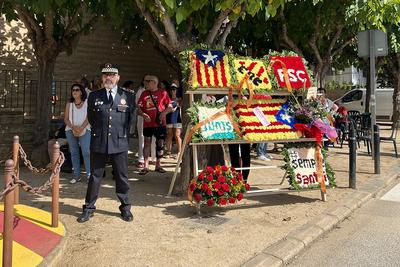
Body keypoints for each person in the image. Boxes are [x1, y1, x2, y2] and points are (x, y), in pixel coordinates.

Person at [77, 63, 135, 223]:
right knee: (95, 177)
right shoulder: (95, 96)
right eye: (105, 75)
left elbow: (131, 120)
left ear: (118, 77)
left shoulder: (128, 96)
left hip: (119, 142)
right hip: (99, 141)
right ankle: (88, 208)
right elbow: (92, 118)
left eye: (112, 74)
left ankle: (125, 208)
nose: (108, 77)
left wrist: (123, 137)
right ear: (102, 78)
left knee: (122, 177)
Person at [137, 75, 173, 174]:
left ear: (154, 82)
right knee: (147, 142)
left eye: (147, 82)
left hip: (160, 123)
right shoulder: (144, 93)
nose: (145, 83)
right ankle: (146, 166)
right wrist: (143, 114)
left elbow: (170, 106)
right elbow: (138, 108)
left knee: (160, 143)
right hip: (148, 124)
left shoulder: (163, 93)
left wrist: (164, 113)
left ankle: (158, 165)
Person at [63, 83, 91, 184]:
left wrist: (81, 127)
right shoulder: (69, 103)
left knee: (86, 152)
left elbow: (89, 117)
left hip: (85, 128)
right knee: (74, 153)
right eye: (73, 90)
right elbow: (66, 119)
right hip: (71, 129)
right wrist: (73, 127)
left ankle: (89, 175)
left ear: (81, 91)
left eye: (77, 90)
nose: (74, 91)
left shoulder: (87, 102)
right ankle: (76, 175)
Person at [135, 77, 156, 168]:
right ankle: (141, 159)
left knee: (154, 137)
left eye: (150, 81)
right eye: (147, 81)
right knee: (142, 138)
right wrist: (143, 114)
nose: (148, 83)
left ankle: (153, 158)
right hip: (143, 118)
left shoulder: (156, 92)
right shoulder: (140, 91)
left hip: (154, 119)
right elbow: (137, 105)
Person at [165, 83, 182, 159]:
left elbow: (181, 105)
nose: (173, 91)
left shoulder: (180, 99)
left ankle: (179, 152)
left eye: (174, 89)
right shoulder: (167, 98)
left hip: (177, 118)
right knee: (169, 135)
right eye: (171, 89)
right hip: (169, 118)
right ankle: (168, 152)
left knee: (177, 135)